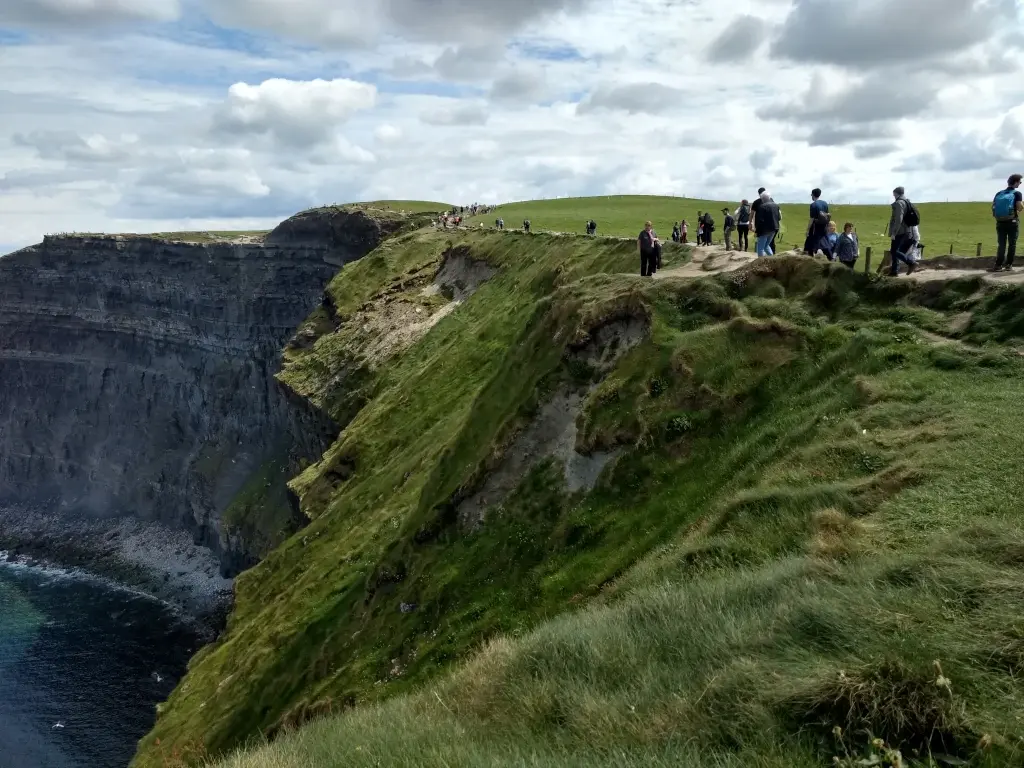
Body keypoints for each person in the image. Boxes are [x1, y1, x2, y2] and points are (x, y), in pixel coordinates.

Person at [992, 173, 1023, 271]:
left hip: (1000, 222)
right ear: (1016, 182)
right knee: (1012, 244)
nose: (1020, 184)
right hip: (1012, 222)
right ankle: (1008, 265)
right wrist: (1019, 209)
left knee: (1001, 244)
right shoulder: (1017, 193)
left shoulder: (999, 193)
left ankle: (998, 265)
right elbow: (1019, 206)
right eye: (1020, 182)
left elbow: (993, 206)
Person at [888, 186, 918, 276]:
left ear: (896, 193)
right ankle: (894, 271)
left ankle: (911, 263)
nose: (893, 196)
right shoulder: (907, 201)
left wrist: (894, 232)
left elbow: (898, 219)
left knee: (894, 251)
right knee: (895, 250)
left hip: (900, 231)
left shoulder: (899, 203)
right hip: (907, 230)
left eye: (894, 194)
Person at [805, 188, 831, 255]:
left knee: (811, 244)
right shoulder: (825, 203)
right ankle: (831, 257)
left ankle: (810, 259)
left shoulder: (813, 205)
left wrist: (807, 230)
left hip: (815, 228)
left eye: (811, 195)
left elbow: (812, 219)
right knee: (825, 244)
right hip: (824, 227)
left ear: (813, 195)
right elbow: (827, 216)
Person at [754, 191, 780, 257]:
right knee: (766, 246)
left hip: (764, 230)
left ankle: (760, 263)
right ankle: (773, 260)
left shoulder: (762, 207)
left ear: (762, 199)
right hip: (774, 229)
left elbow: (760, 221)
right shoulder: (776, 205)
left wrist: (756, 231)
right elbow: (779, 217)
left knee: (760, 248)